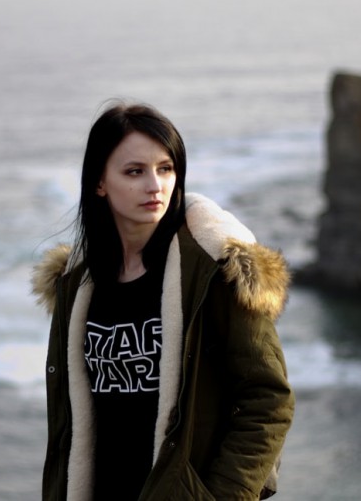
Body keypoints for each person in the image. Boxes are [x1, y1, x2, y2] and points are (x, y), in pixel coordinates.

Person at [31, 101, 295, 500]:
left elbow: (268, 399)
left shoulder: (214, 272)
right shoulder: (76, 286)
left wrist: (222, 496)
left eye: (165, 169)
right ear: (100, 182)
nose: (155, 186)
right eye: (135, 172)